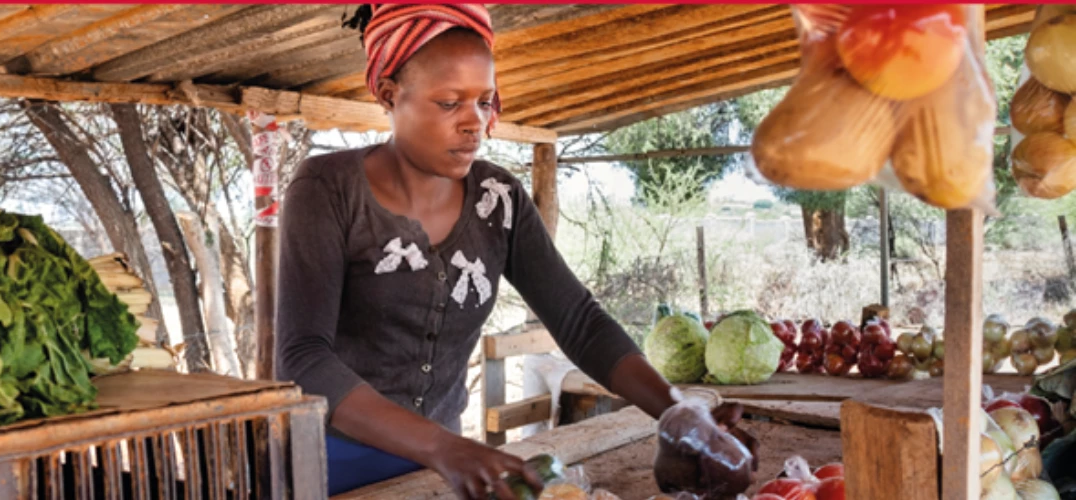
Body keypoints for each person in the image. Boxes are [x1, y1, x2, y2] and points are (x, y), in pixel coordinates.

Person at [275, 4, 754, 499]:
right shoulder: (328, 189)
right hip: (327, 463)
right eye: (448, 103)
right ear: (390, 95)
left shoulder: (497, 200)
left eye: (484, 101)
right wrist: (444, 447)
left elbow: (579, 322)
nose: (474, 122)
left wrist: (678, 410)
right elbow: (303, 358)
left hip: (436, 472)